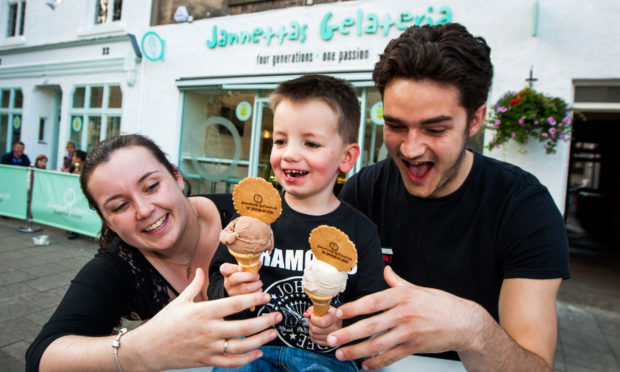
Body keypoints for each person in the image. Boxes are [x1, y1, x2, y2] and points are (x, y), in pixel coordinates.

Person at [325, 23, 570, 371]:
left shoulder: (524, 207)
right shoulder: (364, 190)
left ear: (475, 120)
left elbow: (535, 366)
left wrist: (471, 328)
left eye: (435, 129)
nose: (410, 149)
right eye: (395, 126)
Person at [26, 134, 282, 372]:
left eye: (151, 186)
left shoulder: (252, 220)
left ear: (177, 177)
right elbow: (41, 357)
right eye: (120, 205)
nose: (144, 210)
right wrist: (135, 351)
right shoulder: (120, 266)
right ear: (107, 220)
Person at [208, 75, 387, 371]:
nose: (290, 153)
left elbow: (372, 309)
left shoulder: (361, 232)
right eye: (280, 141)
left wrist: (341, 323)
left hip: (326, 358)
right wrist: (229, 289)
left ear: (347, 157)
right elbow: (216, 282)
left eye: (311, 143)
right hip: (252, 350)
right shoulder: (252, 220)